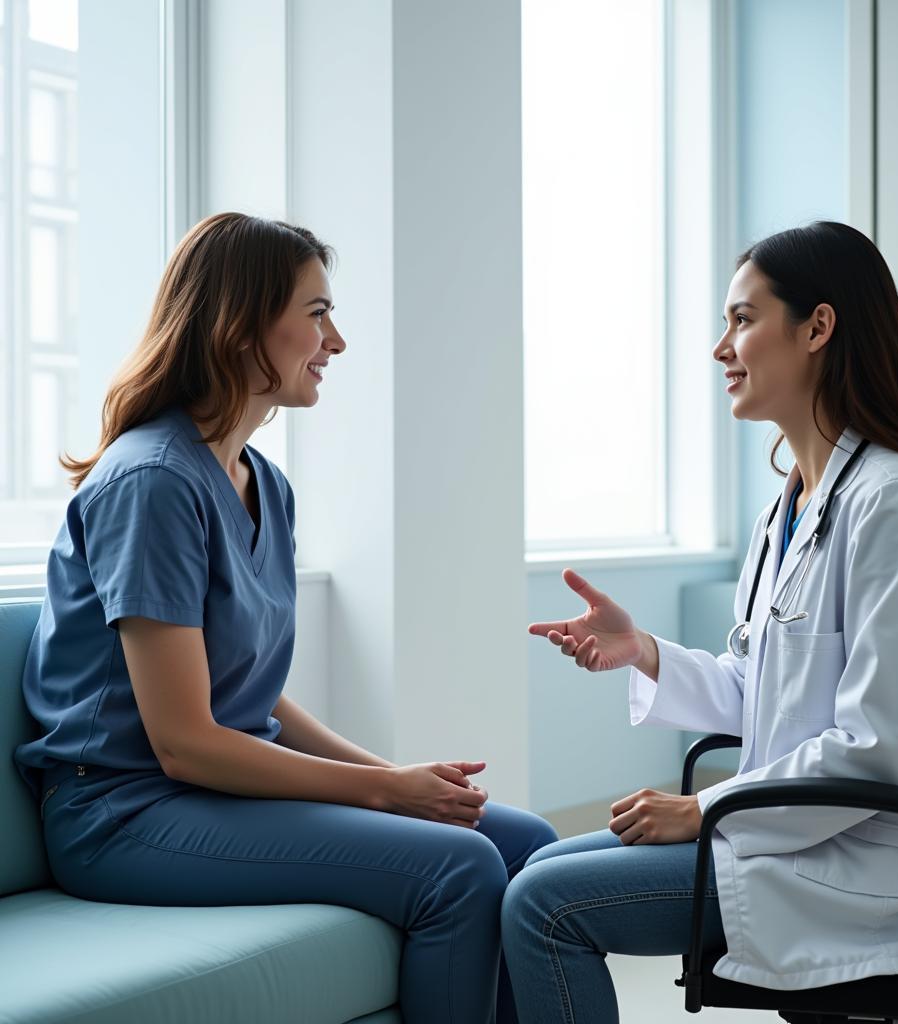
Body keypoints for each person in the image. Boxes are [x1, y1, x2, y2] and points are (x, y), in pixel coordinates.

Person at [16, 212, 556, 1024]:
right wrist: (382, 792)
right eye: (316, 314)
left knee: (530, 847)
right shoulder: (153, 484)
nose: (335, 341)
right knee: (459, 869)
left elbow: (254, 695)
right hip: (120, 813)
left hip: (210, 799)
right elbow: (184, 741)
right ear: (240, 328)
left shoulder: (262, 481)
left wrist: (398, 779)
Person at [503, 221, 898, 1021]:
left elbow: (874, 750)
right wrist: (645, 652)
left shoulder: (897, 502)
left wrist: (704, 807)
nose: (720, 348)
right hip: (806, 834)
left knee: (543, 908)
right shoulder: (792, 508)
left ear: (817, 327)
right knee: (527, 872)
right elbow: (766, 692)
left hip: (877, 868)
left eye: (742, 319)